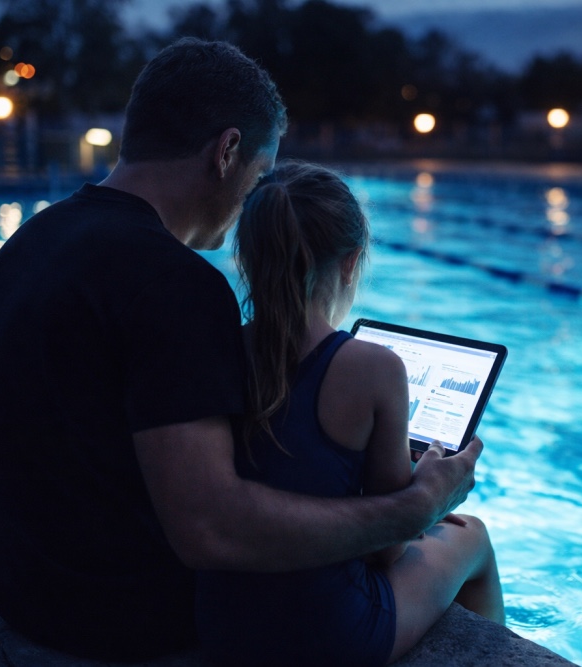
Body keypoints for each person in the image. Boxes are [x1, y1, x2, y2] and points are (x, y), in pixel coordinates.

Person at [0, 38, 482, 662]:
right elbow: (211, 530)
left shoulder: (38, 238)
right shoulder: (170, 283)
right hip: (112, 612)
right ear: (227, 151)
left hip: (16, 586)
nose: (250, 207)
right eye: (259, 178)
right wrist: (415, 507)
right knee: (450, 551)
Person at [193, 161, 504, 667]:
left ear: (247, 257)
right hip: (326, 636)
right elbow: (386, 549)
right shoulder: (374, 367)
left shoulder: (218, 350)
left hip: (220, 618)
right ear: (351, 262)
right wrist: (424, 488)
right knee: (474, 536)